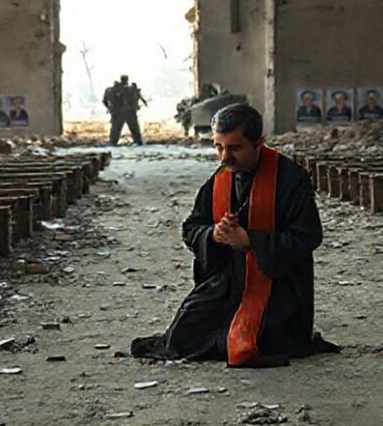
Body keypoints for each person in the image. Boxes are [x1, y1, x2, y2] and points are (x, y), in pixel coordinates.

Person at [131, 104, 339, 367]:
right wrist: (214, 235)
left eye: (234, 148)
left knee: (255, 342)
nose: (224, 157)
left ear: (258, 143)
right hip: (226, 283)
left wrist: (251, 241)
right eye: (218, 147)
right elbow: (192, 227)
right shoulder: (220, 178)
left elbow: (308, 236)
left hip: (276, 284)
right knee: (181, 338)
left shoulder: (290, 179)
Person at [103, 75, 148, 146]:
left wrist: (110, 108)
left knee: (116, 130)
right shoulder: (132, 89)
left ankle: (113, 142)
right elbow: (138, 98)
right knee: (134, 130)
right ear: (127, 80)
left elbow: (104, 100)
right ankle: (137, 142)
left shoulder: (112, 89)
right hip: (129, 112)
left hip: (118, 113)